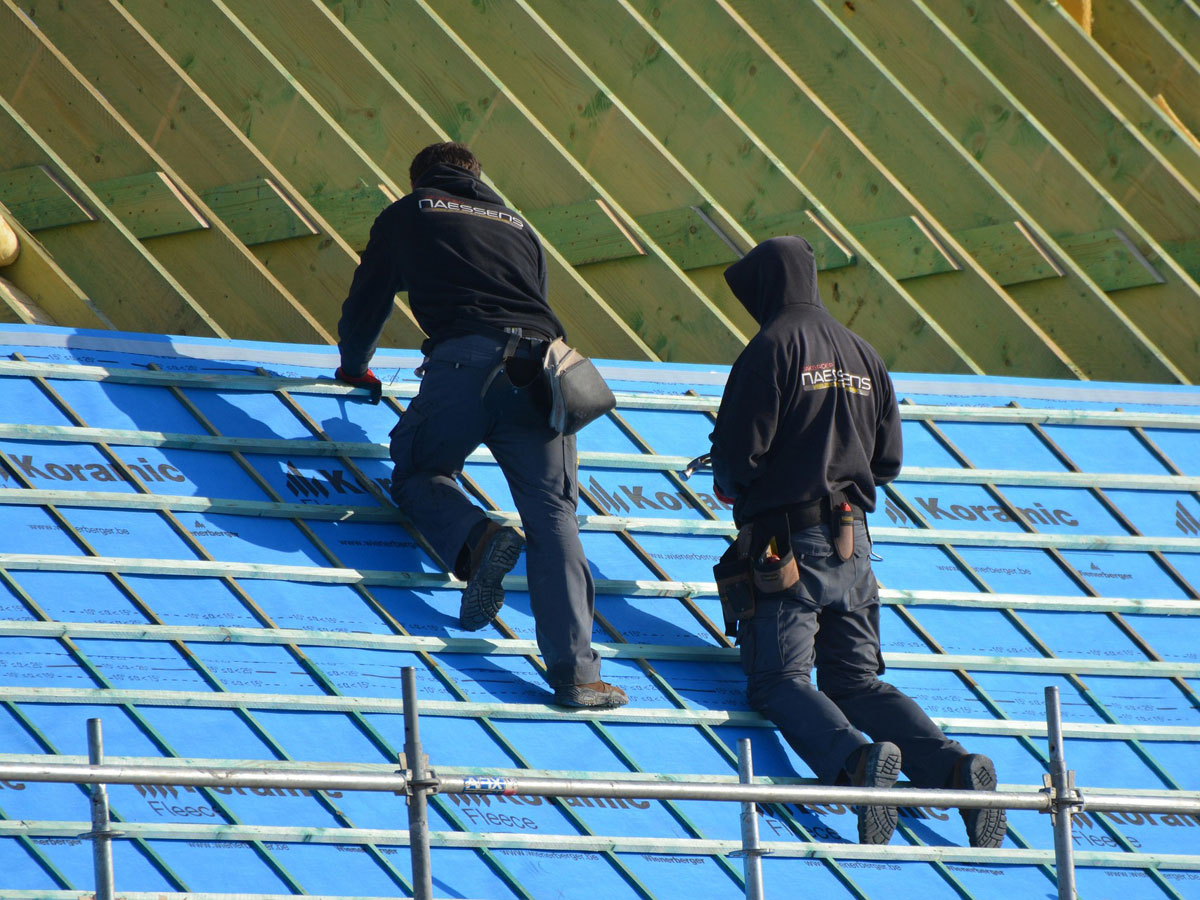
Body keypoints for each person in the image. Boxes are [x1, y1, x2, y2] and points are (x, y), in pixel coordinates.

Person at [708, 235, 1005, 847]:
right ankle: (954, 771)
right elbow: (887, 460)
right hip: (855, 542)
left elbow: (739, 457)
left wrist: (736, 480)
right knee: (855, 682)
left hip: (783, 545)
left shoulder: (770, 348)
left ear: (767, 286)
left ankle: (856, 764)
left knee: (779, 679)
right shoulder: (864, 354)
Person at [335, 141, 626, 709]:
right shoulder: (518, 225)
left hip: (465, 366)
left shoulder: (409, 212)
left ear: (422, 178)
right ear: (477, 176)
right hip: (543, 373)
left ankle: (478, 537)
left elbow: (367, 300)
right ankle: (578, 677)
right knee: (554, 517)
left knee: (420, 470)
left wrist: (354, 366)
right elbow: (529, 302)